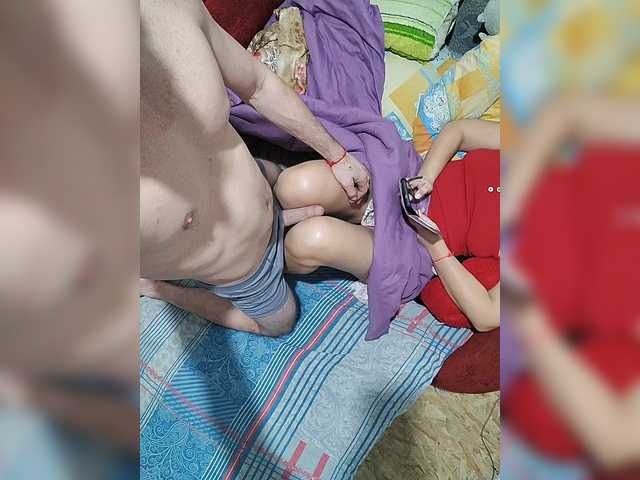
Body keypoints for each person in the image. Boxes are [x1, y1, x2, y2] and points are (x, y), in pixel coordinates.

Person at [139, 0, 370, 336]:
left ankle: (286, 207)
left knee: (301, 185)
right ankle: (160, 290)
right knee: (279, 323)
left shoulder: (166, 8)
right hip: (241, 271)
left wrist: (336, 155)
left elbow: (258, 84)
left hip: (259, 180)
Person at [277, 119, 500, 331]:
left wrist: (435, 246)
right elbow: (459, 131)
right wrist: (426, 177)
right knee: (295, 186)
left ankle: (262, 276)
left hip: (414, 249)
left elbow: (487, 317)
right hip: (404, 180)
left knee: (309, 240)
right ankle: (263, 217)